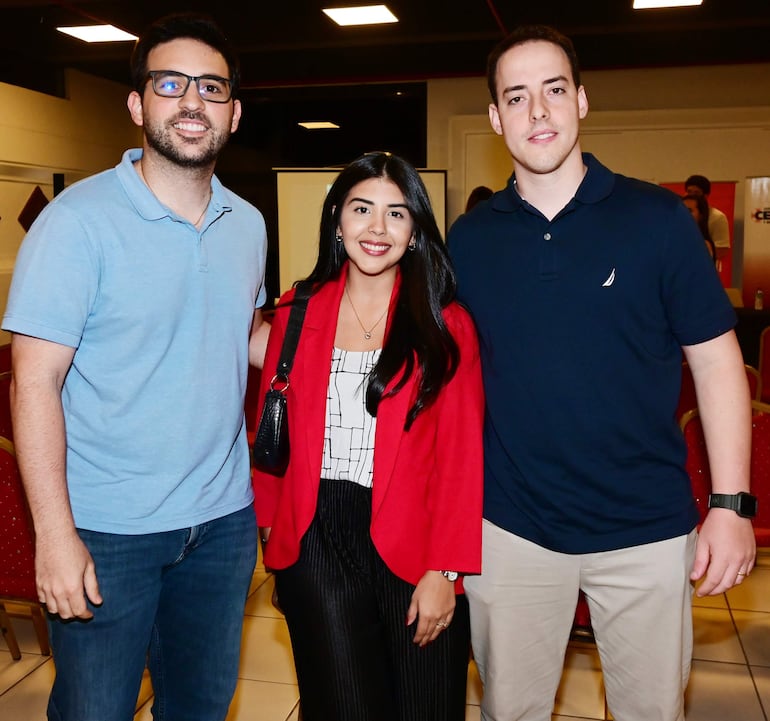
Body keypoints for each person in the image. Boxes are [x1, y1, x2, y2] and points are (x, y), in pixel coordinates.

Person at [447, 24, 756, 721]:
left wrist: (732, 507)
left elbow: (715, 362)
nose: (538, 112)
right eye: (516, 97)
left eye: (553, 90)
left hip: (645, 527)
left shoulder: (658, 221)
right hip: (512, 530)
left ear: (581, 100)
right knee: (509, 711)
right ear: (496, 118)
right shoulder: (470, 239)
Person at [2, 12, 269, 721]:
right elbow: (35, 381)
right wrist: (54, 536)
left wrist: (368, 338)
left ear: (234, 113)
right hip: (106, 530)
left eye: (211, 87)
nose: (192, 101)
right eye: (170, 83)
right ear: (138, 103)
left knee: (202, 705)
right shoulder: (77, 222)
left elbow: (247, 335)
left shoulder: (247, 223)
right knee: (95, 709)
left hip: (222, 523)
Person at [252, 151, 484, 721]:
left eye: (397, 214)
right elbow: (270, 437)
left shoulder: (444, 323)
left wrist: (445, 572)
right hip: (317, 534)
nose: (377, 229)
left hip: (417, 540)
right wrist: (276, 545)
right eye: (362, 209)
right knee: (344, 707)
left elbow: (461, 458)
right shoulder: (296, 312)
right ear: (338, 220)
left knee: (425, 706)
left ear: (415, 231)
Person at [684, 173, 731, 260]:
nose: (691, 195)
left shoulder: (717, 217)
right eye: (689, 191)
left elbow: (722, 250)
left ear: (705, 196)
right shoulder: (680, 215)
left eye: (696, 193)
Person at [682, 192, 717, 263]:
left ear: (701, 215)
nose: (683, 214)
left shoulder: (704, 244)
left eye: (689, 210)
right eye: (682, 210)